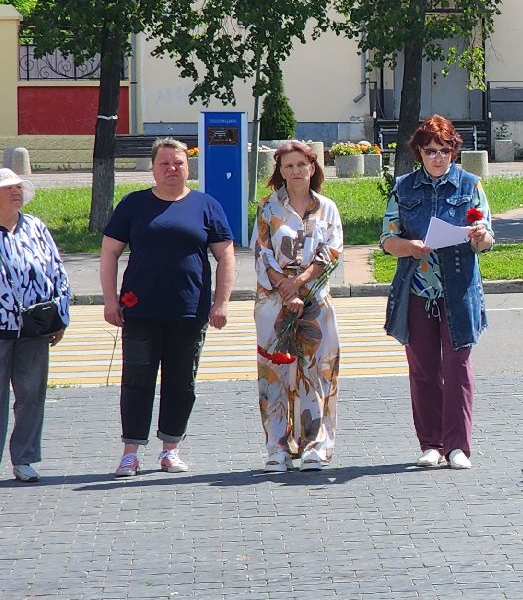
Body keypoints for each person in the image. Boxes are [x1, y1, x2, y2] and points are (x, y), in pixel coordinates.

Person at [101, 139, 236, 477]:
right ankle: (130, 452)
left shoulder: (206, 205)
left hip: (189, 312)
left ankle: (170, 449)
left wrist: (221, 302)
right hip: (141, 310)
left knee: (181, 383)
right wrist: (109, 300)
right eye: (165, 164)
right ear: (153, 167)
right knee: (137, 380)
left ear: (188, 167)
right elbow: (109, 253)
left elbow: (226, 256)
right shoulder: (134, 204)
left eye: (178, 163)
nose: (172, 169)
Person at [381, 115, 496, 470]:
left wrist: (480, 238)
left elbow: (488, 237)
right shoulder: (403, 187)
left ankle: (458, 446)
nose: (438, 158)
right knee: (423, 369)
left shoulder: (470, 185)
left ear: (453, 152)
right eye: (431, 151)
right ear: (419, 152)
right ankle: (431, 444)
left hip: (458, 290)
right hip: (417, 291)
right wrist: (408, 246)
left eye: (445, 151)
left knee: (458, 367)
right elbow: (386, 240)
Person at [254, 141, 345, 472]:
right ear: (279, 170)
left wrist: (302, 282)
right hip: (274, 302)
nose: (295, 171)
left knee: (316, 372)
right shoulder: (267, 209)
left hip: (316, 299)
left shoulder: (327, 208)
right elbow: (262, 252)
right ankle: (277, 445)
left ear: (312, 167)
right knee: (275, 374)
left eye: (301, 165)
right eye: (288, 165)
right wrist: (285, 287)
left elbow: (332, 251)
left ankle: (314, 444)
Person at [0, 168, 70, 482]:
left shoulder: (35, 227)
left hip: (34, 325)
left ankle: (24, 459)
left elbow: (57, 271)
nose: (16, 193)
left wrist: (61, 315)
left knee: (31, 394)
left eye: (18, 188)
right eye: (8, 188)